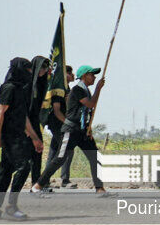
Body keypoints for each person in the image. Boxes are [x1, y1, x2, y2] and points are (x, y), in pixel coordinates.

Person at [33, 65, 106, 195]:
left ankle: (99, 188)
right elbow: (90, 104)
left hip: (82, 132)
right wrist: (98, 89)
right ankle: (38, 185)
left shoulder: (85, 91)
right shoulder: (78, 90)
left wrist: (88, 129)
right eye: (92, 75)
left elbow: (87, 112)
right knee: (59, 159)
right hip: (71, 131)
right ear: (84, 76)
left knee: (95, 157)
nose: (94, 77)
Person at [0, 58, 45, 220]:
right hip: (9, 136)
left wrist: (35, 138)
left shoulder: (20, 89)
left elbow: (23, 117)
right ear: (19, 69)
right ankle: (11, 206)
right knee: (24, 167)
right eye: (27, 69)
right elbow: (1, 112)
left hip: (18, 135)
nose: (30, 72)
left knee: (5, 172)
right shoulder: (10, 88)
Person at [40, 65, 76, 190]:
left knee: (54, 151)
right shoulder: (58, 88)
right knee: (67, 149)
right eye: (69, 72)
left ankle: (44, 180)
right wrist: (68, 123)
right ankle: (64, 180)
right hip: (58, 123)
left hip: (61, 124)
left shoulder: (67, 89)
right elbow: (56, 110)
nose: (73, 75)